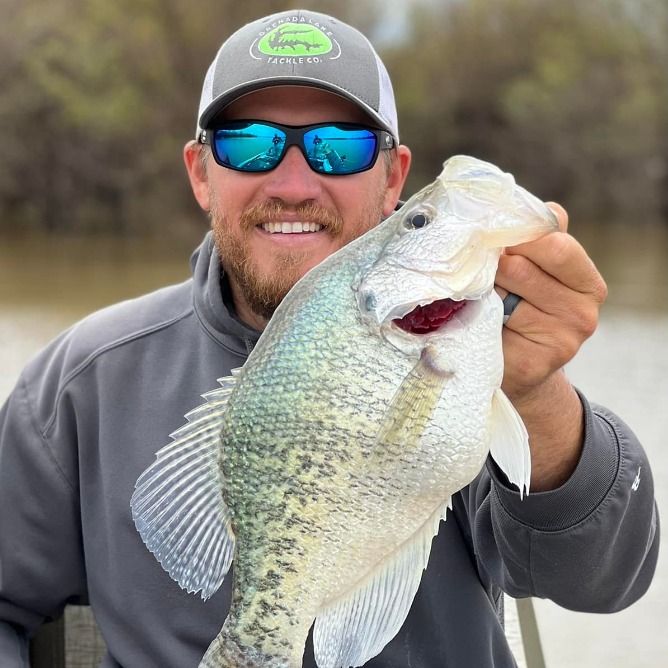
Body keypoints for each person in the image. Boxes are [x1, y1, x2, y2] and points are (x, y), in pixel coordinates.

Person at [0, 9, 659, 668]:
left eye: (338, 147)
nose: (292, 184)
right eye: (248, 144)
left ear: (394, 177)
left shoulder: (484, 353)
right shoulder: (83, 382)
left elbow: (601, 580)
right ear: (201, 172)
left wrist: (538, 394)